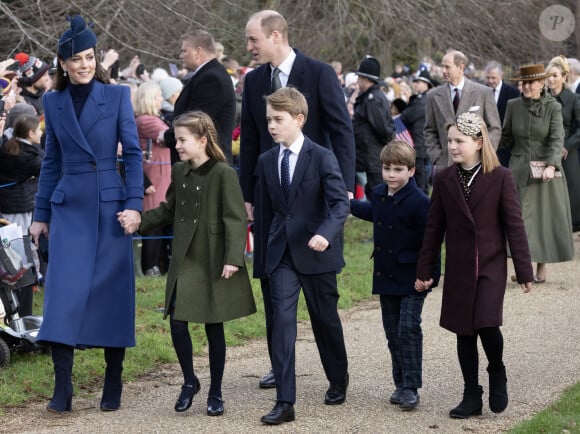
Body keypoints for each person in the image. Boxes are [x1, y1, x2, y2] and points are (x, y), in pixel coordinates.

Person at [29, 15, 144, 413]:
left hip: (111, 209)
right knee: (61, 295)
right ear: (62, 63)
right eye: (76, 58)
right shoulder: (51, 101)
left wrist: (134, 206)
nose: (84, 64)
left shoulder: (116, 97)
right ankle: (63, 387)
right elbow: (51, 161)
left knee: (112, 295)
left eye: (90, 56)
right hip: (69, 209)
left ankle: (113, 378)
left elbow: (131, 153)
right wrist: (40, 213)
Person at [241, 10, 355, 389]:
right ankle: (280, 366)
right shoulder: (254, 80)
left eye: (253, 39)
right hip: (273, 203)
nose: (249, 47)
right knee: (276, 297)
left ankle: (336, 377)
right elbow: (254, 143)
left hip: (317, 204)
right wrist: (247, 197)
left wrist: (341, 195)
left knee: (323, 306)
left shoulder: (319, 73)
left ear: (275, 36)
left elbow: (342, 134)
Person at [124, 111, 256, 417]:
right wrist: (140, 220)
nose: (177, 145)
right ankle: (189, 381)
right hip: (185, 256)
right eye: (176, 139)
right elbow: (169, 209)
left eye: (182, 140)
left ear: (202, 140)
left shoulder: (224, 173)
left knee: (213, 325)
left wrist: (233, 258)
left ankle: (216, 391)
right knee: (177, 321)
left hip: (213, 257)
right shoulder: (180, 170)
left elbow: (236, 219)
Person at [415, 111, 533, 419]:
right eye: (450, 141)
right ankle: (471, 393)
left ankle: (497, 370)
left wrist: (523, 271)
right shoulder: (443, 179)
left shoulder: (500, 177)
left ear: (478, 143)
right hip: (459, 268)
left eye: (459, 141)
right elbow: (433, 228)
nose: (452, 146)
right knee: (464, 331)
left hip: (491, 265)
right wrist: (424, 270)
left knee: (487, 323)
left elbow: (515, 227)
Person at [257, 87, 350, 425]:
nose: (271, 126)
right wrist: (262, 259)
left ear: (298, 119)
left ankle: (338, 378)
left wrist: (325, 234)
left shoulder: (322, 156)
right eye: (268, 119)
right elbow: (266, 214)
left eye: (278, 119)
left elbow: (341, 204)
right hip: (281, 254)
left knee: (324, 320)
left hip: (317, 253)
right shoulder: (267, 160)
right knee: (281, 324)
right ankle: (285, 401)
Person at [350, 140, 440, 411]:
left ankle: (411, 387)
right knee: (392, 332)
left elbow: (431, 241)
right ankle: (400, 383)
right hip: (386, 275)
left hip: (414, 277)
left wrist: (431, 275)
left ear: (411, 171)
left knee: (408, 329)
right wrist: (349, 203)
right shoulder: (379, 194)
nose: (391, 174)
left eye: (398, 169)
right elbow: (374, 212)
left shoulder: (420, 202)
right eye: (387, 168)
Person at [499, 64, 574, 283]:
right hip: (518, 169)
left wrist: (552, 165)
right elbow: (504, 137)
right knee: (518, 219)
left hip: (545, 171)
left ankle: (541, 268)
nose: (526, 86)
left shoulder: (554, 108)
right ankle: (523, 268)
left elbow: (556, 139)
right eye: (523, 83)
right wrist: (482, 142)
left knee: (542, 220)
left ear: (541, 83)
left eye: (530, 82)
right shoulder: (513, 105)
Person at [164, 30, 236, 164]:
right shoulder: (206, 75)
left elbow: (195, 123)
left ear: (198, 51)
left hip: (206, 168)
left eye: (184, 51)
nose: (181, 56)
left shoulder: (211, 78)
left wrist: (165, 137)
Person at [424, 50, 501, 171]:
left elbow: (494, 128)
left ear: (461, 67)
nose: (443, 71)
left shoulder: (483, 93)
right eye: (442, 66)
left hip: (477, 165)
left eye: (447, 67)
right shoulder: (432, 96)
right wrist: (437, 157)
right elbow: (429, 130)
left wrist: (484, 154)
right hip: (445, 167)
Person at [0, 113, 44, 316]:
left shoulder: (12, 146)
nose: (41, 133)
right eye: (38, 130)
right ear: (29, 133)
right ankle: (20, 308)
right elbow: (44, 165)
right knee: (17, 258)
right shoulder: (25, 155)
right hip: (16, 209)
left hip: (14, 205)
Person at [133, 81, 171, 276]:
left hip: (161, 179)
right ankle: (151, 267)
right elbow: (168, 137)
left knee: (160, 223)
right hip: (153, 180)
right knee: (153, 225)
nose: (161, 99)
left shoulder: (153, 119)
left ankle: (160, 266)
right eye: (158, 96)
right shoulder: (146, 121)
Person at [353, 55, 396, 198]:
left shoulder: (372, 99)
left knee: (378, 195)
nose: (357, 82)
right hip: (370, 157)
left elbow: (383, 129)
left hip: (374, 157)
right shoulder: (371, 96)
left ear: (366, 80)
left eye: (359, 78)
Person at [546, 56, 580, 231]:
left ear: (564, 77)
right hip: (545, 150)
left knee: (570, 192)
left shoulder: (574, 99)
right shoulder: (541, 98)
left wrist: (567, 146)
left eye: (555, 75)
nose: (551, 79)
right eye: (548, 76)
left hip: (568, 152)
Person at [400, 69, 434, 193]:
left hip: (420, 143)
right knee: (419, 177)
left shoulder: (424, 100)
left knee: (420, 180)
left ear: (426, 84)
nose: (415, 84)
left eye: (418, 82)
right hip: (419, 142)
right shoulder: (420, 99)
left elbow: (407, 116)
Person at [484, 61, 521, 167]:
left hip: (506, 146)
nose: (490, 81)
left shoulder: (513, 93)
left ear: (501, 75)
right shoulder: (481, 91)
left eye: (493, 78)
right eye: (488, 78)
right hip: (487, 144)